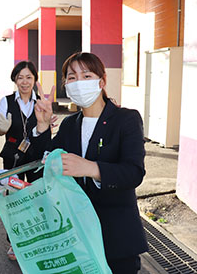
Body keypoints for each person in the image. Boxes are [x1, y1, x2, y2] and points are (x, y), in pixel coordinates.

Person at [32, 52, 148, 274]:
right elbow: (45, 165)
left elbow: (134, 172)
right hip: (77, 234)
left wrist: (92, 168)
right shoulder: (69, 125)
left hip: (116, 237)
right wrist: (43, 127)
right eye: (72, 77)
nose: (79, 82)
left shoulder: (126, 119)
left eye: (86, 75)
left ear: (101, 81)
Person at [0, 60, 56, 261]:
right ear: (15, 80)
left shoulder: (41, 101)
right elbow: (1, 129)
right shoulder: (7, 101)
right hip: (14, 157)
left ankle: (38, 240)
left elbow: (46, 130)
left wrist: (47, 123)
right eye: (20, 77)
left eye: (29, 77)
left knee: (38, 197)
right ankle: (15, 243)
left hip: (36, 157)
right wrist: (4, 128)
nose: (25, 81)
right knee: (16, 200)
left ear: (35, 79)